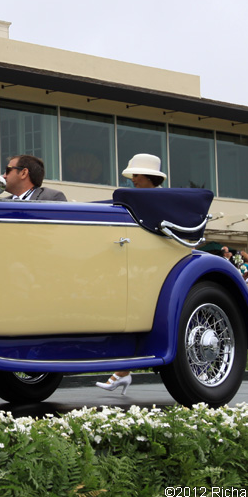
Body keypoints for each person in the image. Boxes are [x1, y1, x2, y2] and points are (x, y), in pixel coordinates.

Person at [96, 153, 166, 395]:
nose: (133, 179)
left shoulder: (162, 200)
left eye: (136, 174)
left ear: (149, 177)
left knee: (133, 315)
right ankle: (122, 371)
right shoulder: (137, 199)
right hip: (132, 261)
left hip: (148, 265)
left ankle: (122, 372)